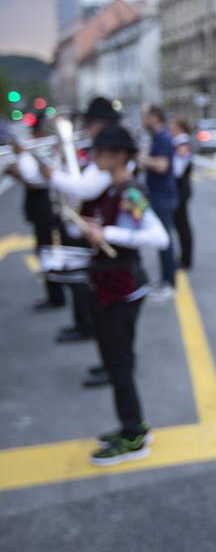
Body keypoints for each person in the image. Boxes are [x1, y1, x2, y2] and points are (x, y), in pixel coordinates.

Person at [77, 124, 169, 465]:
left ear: (117, 156)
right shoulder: (110, 189)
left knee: (120, 365)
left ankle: (132, 435)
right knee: (118, 363)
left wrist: (108, 233)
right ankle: (134, 426)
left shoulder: (129, 192)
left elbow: (159, 238)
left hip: (123, 288)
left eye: (99, 152)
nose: (93, 158)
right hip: (108, 287)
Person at [34, 98, 120, 388]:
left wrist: (54, 176)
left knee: (110, 314)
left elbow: (86, 187)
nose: (88, 130)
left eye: (92, 124)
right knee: (101, 308)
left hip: (107, 246)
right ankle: (109, 361)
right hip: (94, 234)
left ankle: (114, 366)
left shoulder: (119, 166)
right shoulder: (101, 153)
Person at [7, 113, 66, 311]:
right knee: (45, 250)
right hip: (42, 207)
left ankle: (55, 295)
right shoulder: (42, 148)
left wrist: (21, 156)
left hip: (45, 207)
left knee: (47, 251)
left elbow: (35, 181)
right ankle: (54, 293)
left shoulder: (43, 149)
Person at [138, 105, 178, 299]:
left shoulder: (162, 138)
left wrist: (143, 159)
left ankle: (169, 281)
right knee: (163, 239)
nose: (142, 120)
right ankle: (166, 279)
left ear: (154, 117)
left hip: (162, 195)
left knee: (164, 240)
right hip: (159, 193)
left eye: (144, 116)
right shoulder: (158, 137)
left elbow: (162, 166)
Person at [169, 116, 194, 270]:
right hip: (180, 189)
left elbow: (178, 170)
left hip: (180, 189)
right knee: (180, 224)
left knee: (182, 224)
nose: (170, 128)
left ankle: (186, 259)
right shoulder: (178, 143)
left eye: (173, 125)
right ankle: (185, 257)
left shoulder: (182, 144)